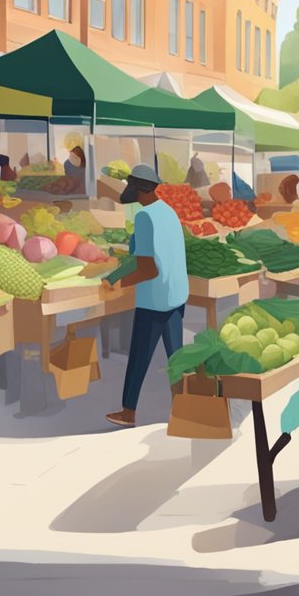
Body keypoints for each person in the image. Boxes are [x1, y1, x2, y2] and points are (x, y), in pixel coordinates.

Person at [106, 165, 188, 428]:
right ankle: (182, 410)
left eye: (130, 184)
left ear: (139, 188)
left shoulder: (144, 217)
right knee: (177, 357)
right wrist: (116, 273)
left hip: (154, 299)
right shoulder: (168, 212)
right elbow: (146, 256)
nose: (126, 189)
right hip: (175, 293)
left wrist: (118, 285)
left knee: (139, 357)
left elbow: (148, 268)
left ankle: (128, 413)